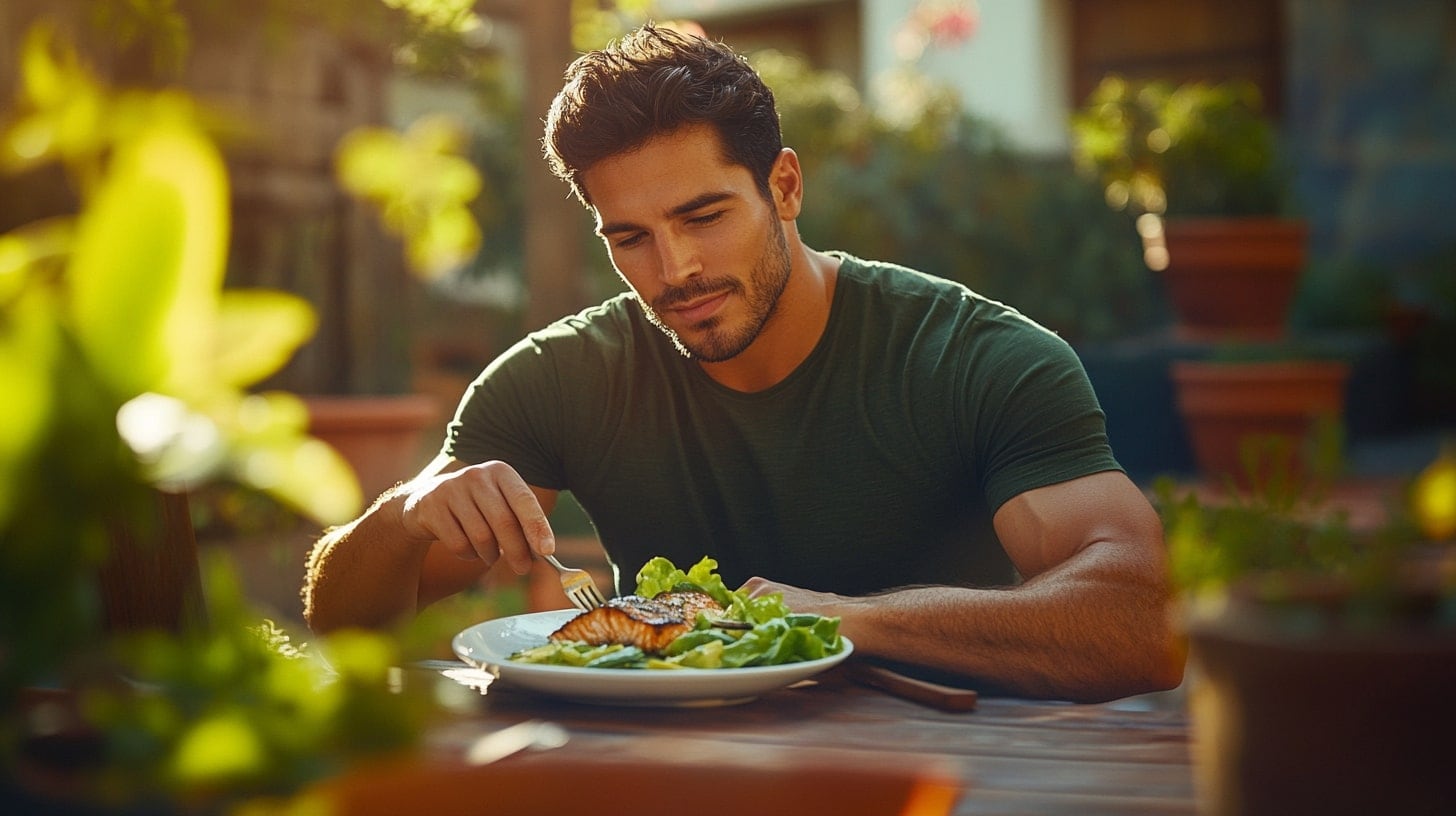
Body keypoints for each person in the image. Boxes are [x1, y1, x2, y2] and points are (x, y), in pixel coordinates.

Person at [303, 24, 1184, 702]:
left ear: (786, 188)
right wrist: (406, 516)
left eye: (704, 216)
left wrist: (853, 623)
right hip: (657, 775)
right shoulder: (560, 377)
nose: (673, 269)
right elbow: (345, 623)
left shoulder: (975, 357)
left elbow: (1145, 623)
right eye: (631, 238)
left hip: (949, 776)